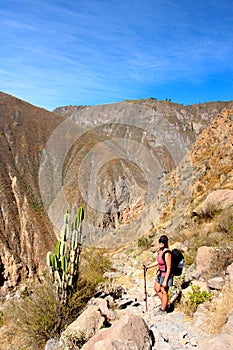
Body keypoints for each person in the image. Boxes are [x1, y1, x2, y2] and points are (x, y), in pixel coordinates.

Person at [144, 234, 173, 314]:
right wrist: (148, 267)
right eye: (160, 241)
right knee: (156, 288)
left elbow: (169, 267)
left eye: (163, 242)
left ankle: (163, 309)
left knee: (164, 291)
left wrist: (165, 280)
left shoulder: (167, 253)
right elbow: (158, 261)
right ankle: (165, 304)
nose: (161, 243)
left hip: (165, 274)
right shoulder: (160, 251)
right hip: (160, 273)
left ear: (166, 243)